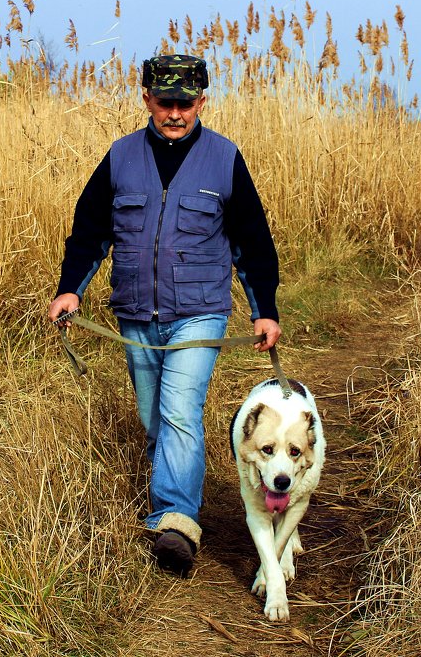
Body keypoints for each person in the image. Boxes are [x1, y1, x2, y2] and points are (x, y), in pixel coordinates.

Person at [48, 54, 281, 576]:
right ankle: (175, 500)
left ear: (203, 102)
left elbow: (253, 243)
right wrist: (71, 291)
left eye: (185, 103)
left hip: (199, 314)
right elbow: (89, 232)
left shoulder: (225, 159)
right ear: (147, 99)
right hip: (136, 313)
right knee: (155, 419)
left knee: (179, 411)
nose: (174, 112)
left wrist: (264, 310)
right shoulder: (120, 157)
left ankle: (175, 522)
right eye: (164, 102)